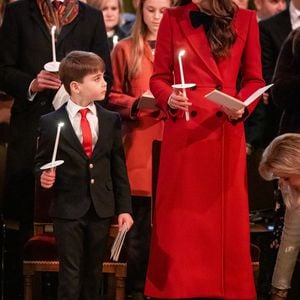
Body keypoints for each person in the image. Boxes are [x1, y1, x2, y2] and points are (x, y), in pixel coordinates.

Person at [144, 0, 265, 298]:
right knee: (181, 218)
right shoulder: (173, 18)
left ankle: (227, 288)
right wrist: (169, 98)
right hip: (185, 130)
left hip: (224, 127)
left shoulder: (247, 19)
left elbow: (254, 79)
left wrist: (243, 105)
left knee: (223, 216)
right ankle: (178, 288)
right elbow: (158, 77)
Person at [35, 50, 133, 300]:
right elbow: (41, 163)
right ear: (76, 86)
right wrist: (43, 176)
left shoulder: (110, 120)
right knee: (70, 276)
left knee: (94, 274)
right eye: (97, 79)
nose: (105, 83)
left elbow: (118, 167)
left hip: (100, 208)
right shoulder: (50, 122)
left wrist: (124, 209)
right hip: (68, 209)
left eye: (103, 77)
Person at [108, 0, 171, 298]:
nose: (157, 17)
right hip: (138, 144)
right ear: (140, 9)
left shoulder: (180, 48)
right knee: (138, 232)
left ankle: (165, 288)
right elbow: (111, 94)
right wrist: (135, 103)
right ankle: (135, 290)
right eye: (151, 10)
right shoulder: (125, 48)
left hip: (172, 143)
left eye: (163, 11)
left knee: (170, 229)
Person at [259, 133, 300, 300]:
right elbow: (290, 237)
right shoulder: (293, 190)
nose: (283, 184)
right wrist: (279, 291)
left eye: (286, 177)